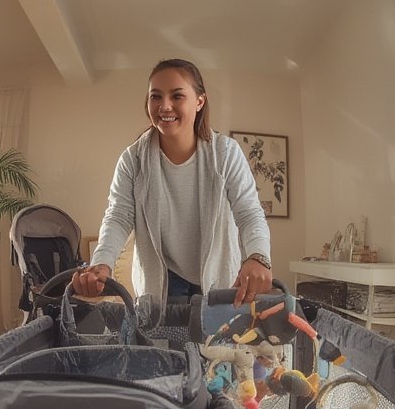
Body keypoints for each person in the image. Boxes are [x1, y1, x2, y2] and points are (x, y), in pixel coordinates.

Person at [72, 58, 273, 308]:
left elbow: (249, 212)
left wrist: (258, 256)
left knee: (212, 346)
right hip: (164, 279)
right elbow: (118, 216)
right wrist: (102, 262)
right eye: (155, 97)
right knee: (165, 346)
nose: (164, 106)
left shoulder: (226, 154)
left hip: (218, 276)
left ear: (199, 101)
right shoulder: (132, 160)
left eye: (177, 96)